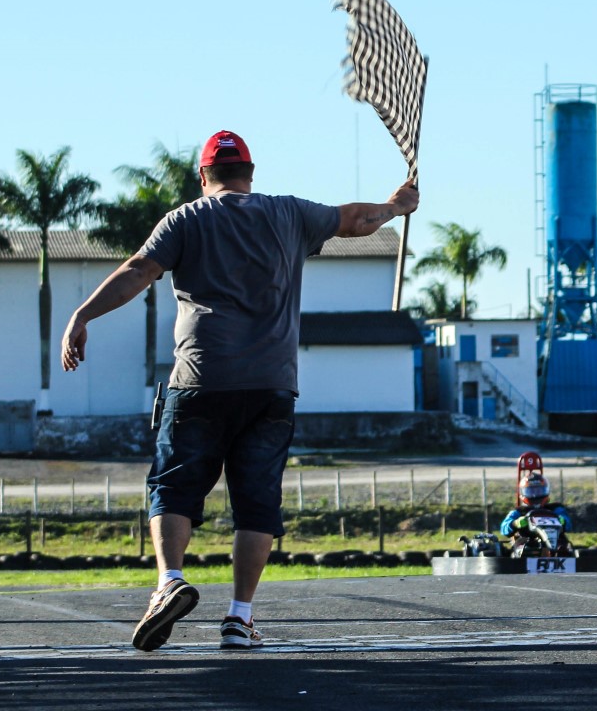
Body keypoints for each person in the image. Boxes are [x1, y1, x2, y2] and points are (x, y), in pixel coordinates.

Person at [60, 130, 418, 652]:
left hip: (201, 381)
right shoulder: (289, 213)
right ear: (250, 174)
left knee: (174, 487)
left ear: (204, 177)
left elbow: (138, 271)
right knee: (257, 505)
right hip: (271, 385)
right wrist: (395, 206)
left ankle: (170, 582)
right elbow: (355, 221)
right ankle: (239, 617)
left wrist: (82, 314)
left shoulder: (186, 219)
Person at [499, 471, 572, 538]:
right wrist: (515, 523)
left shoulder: (555, 509)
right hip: (527, 543)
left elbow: (568, 524)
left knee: (564, 546)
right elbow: (503, 528)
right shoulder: (519, 512)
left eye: (538, 491)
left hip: (555, 542)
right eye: (531, 491)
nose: (535, 495)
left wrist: (563, 521)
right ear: (523, 492)